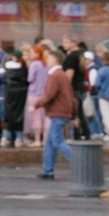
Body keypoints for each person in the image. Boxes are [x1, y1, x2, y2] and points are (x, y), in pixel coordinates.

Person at [39, 52, 79, 180]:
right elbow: (71, 97)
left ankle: (80, 162)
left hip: (58, 112)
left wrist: (35, 105)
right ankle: (48, 171)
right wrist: (73, 114)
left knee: (57, 142)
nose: (47, 60)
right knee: (50, 143)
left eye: (49, 57)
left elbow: (50, 95)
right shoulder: (62, 75)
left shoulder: (56, 75)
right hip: (62, 112)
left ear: (55, 60)